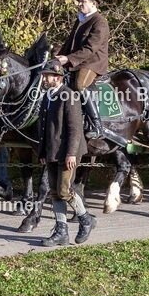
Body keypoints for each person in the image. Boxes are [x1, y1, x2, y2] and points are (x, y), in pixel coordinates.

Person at [37, 60, 93, 247]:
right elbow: (43, 128)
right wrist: (42, 152)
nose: (44, 79)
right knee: (54, 193)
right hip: (52, 151)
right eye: (44, 76)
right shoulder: (47, 96)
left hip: (68, 152)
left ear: (58, 77)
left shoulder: (69, 96)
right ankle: (61, 232)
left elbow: (75, 128)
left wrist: (71, 154)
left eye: (47, 76)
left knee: (64, 190)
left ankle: (86, 219)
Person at [57, 0, 109, 139]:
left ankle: (97, 126)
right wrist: (58, 57)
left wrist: (68, 59)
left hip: (92, 62)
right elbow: (69, 43)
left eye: (83, 1)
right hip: (77, 61)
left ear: (93, 3)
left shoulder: (100, 22)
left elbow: (90, 48)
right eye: (79, 2)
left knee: (80, 85)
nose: (79, 4)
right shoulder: (80, 20)